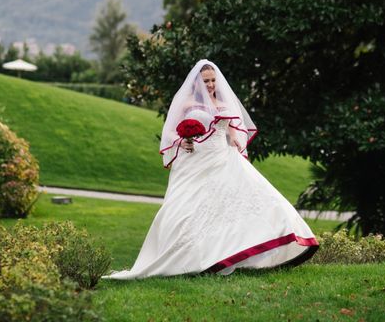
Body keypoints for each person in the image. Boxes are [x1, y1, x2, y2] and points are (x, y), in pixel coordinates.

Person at [102, 59, 318, 280]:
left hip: (222, 158)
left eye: (213, 80)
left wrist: (235, 139)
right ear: (197, 83)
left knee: (249, 199)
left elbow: (233, 128)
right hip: (195, 161)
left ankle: (233, 252)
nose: (211, 85)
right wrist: (182, 142)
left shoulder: (225, 103)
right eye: (206, 81)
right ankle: (184, 258)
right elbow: (170, 134)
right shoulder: (186, 104)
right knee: (184, 210)